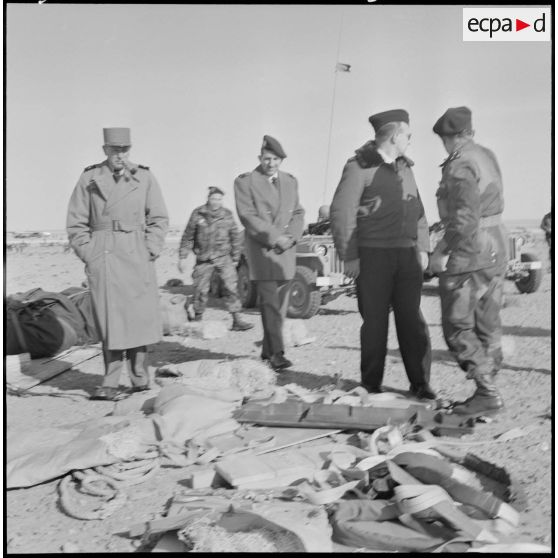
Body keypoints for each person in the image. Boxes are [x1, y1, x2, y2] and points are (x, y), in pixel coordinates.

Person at [330, 109, 435, 400]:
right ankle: (371, 384)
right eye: (408, 135)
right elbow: (342, 214)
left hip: (406, 256)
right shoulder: (358, 167)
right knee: (375, 323)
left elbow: (419, 211)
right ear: (394, 135)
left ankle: (421, 384)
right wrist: (349, 256)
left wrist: (424, 247)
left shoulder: (406, 168)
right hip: (373, 256)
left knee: (411, 321)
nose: (410, 140)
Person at [66, 127, 169, 401]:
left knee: (137, 317)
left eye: (125, 150)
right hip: (105, 254)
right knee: (110, 319)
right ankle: (110, 382)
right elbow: (76, 222)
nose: (120, 156)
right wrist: (90, 253)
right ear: (105, 151)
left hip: (136, 252)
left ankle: (139, 378)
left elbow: (159, 218)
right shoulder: (89, 177)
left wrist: (150, 248)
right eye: (114, 150)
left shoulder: (144, 177)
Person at [430, 106, 508, 416]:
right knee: (487, 320)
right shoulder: (486, 155)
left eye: (444, 141)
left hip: (471, 251)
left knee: (458, 324)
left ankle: (487, 392)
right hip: (496, 247)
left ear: (450, 139)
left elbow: (464, 219)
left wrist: (439, 251)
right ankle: (487, 390)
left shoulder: (460, 165)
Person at [234, 135, 305, 370]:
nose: (270, 163)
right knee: (271, 304)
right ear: (259, 158)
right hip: (263, 250)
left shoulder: (290, 181)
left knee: (280, 307)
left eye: (275, 159)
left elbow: (298, 212)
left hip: (286, 252)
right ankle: (277, 353)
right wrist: (276, 238)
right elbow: (248, 216)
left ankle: (267, 351)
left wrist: (292, 237)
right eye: (266, 159)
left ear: (281, 160)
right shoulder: (245, 182)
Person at [177, 187, 253, 331]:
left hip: (223, 258)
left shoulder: (227, 215)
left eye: (219, 199)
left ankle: (237, 320)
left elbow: (235, 237)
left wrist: (236, 258)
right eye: (214, 199)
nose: (216, 202)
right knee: (201, 290)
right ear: (208, 198)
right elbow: (188, 236)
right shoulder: (198, 214)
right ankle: (198, 319)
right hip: (204, 258)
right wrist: (182, 257)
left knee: (231, 288)